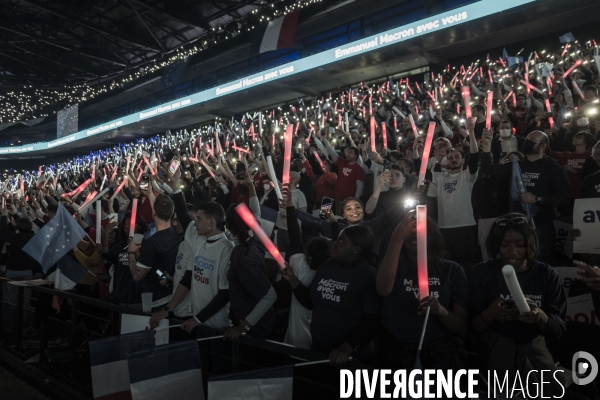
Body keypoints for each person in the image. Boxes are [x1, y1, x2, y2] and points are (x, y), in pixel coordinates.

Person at [470, 213, 569, 397]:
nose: (512, 251)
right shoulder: (482, 273)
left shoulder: (547, 275)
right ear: (496, 245)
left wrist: (540, 316)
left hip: (534, 349)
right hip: (497, 349)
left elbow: (557, 331)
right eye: (504, 245)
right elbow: (474, 327)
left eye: (520, 245)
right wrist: (489, 314)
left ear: (530, 244)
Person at [377, 211, 469, 371]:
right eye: (409, 231)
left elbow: (461, 327)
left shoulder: (452, 270)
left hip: (438, 354)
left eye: (419, 229)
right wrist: (397, 237)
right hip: (397, 352)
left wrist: (440, 311)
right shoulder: (395, 264)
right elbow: (383, 289)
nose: (414, 233)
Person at [280, 223, 381, 363]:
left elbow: (371, 322)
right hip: (320, 351)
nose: (335, 243)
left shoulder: (368, 277)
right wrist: (292, 278)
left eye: (341, 240)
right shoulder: (327, 265)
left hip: (350, 358)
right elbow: (310, 302)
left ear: (356, 249)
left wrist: (347, 347)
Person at [150, 169, 234, 332]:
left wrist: (198, 318)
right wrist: (175, 187)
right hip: (197, 322)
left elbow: (225, 293)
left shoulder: (226, 249)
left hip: (217, 326)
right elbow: (183, 214)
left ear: (211, 222)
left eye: (199, 219)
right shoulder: (198, 239)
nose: (194, 223)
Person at [481, 130, 570, 264]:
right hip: (516, 225)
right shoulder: (516, 166)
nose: (527, 142)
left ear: (542, 146)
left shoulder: (554, 168)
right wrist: (487, 147)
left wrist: (538, 198)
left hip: (541, 226)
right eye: (527, 138)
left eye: (532, 140)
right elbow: (488, 170)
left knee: (542, 263)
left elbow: (564, 199)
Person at [414, 117, 480, 264]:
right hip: (444, 227)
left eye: (457, 157)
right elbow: (421, 169)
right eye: (450, 158)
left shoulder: (468, 176)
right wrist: (416, 150)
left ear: (463, 160)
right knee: (447, 265)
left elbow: (475, 156)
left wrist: (472, 132)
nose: (454, 159)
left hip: (465, 226)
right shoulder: (440, 177)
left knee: (467, 264)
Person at [281, 188, 332, 348]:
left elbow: (294, 236)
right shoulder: (333, 277)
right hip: (322, 345)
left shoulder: (298, 264)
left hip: (294, 341)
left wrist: (289, 206)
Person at [223, 202, 277, 339]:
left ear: (228, 226)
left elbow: (270, 295)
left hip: (255, 330)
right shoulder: (256, 236)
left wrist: (243, 326)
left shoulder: (243, 257)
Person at [127, 194, 180, 307]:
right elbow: (157, 268)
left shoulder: (152, 243)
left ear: (154, 212)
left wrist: (131, 253)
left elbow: (137, 276)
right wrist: (138, 254)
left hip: (155, 300)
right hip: (172, 293)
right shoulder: (177, 234)